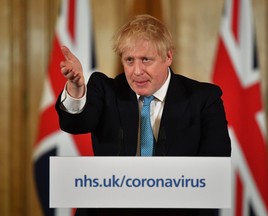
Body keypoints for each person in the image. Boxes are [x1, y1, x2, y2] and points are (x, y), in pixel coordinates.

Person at [56, 14, 231, 216]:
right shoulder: (107, 90)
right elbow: (76, 124)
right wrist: (76, 88)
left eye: (146, 60)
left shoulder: (203, 98)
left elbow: (215, 164)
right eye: (129, 60)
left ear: (168, 57)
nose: (136, 71)